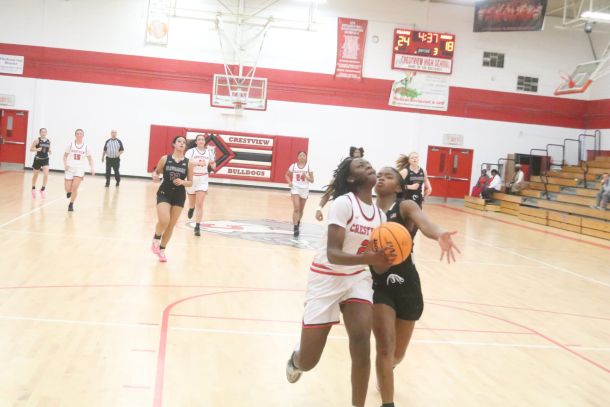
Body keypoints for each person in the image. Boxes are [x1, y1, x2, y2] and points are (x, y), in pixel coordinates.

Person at [285, 157, 394, 407]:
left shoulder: (381, 216)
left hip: (357, 278)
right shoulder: (344, 204)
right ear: (351, 178)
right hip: (326, 276)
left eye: (368, 163)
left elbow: (377, 265)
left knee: (362, 340)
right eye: (361, 166)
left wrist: (387, 259)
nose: (368, 166)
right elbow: (333, 253)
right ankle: (295, 360)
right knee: (309, 361)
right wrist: (371, 258)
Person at [373, 167, 460, 407]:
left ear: (398, 187)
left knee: (396, 355)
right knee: (384, 347)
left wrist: (440, 233)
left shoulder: (405, 206)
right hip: (378, 283)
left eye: (388, 176)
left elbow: (426, 224)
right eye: (379, 175)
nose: (381, 178)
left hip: (406, 282)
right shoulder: (367, 211)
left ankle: (388, 369)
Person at [151, 136, 194, 262]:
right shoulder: (165, 159)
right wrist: (154, 176)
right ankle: (156, 239)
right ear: (174, 144)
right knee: (164, 220)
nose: (182, 143)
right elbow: (156, 172)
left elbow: (190, 182)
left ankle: (162, 250)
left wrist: (182, 182)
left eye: (184, 142)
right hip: (164, 192)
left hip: (179, 195)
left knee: (171, 225)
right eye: (179, 141)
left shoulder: (189, 163)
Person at [315, 146, 364, 222]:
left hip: (354, 215)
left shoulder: (361, 182)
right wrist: (319, 209)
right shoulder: (336, 181)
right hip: (337, 213)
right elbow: (327, 195)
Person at [185, 134, 216, 236]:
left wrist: (213, 164)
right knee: (192, 202)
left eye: (203, 139)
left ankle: (197, 227)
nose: (201, 141)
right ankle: (191, 208)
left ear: (204, 142)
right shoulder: (191, 151)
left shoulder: (209, 152)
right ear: (196, 142)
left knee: (200, 204)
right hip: (191, 178)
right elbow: (185, 163)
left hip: (203, 179)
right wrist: (196, 163)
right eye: (199, 139)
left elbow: (214, 165)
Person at [63, 129, 94, 212]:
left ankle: (71, 204)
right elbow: (65, 156)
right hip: (69, 168)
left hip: (79, 169)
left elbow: (90, 159)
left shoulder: (86, 147)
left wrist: (92, 168)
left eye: (81, 134)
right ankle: (68, 192)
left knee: (75, 187)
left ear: (83, 135)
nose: (79, 135)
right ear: (75, 135)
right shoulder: (70, 144)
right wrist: (65, 164)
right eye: (78, 133)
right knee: (67, 189)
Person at [285, 151, 314, 238]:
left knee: (301, 210)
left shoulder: (309, 167)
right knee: (296, 208)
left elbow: (312, 180)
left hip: (304, 190)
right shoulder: (293, 166)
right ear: (297, 157)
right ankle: (295, 227)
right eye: (300, 155)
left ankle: (297, 223)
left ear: (306, 157)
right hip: (295, 189)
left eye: (303, 155)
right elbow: (286, 175)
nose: (302, 157)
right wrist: (289, 182)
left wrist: (306, 177)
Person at [30, 128, 51, 199]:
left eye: (44, 132)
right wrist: (36, 149)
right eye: (42, 132)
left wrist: (50, 151)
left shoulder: (48, 141)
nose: (43, 133)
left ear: (46, 133)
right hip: (38, 159)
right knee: (35, 175)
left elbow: (48, 149)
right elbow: (31, 149)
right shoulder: (37, 140)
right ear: (40, 133)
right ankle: (33, 188)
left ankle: (42, 189)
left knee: (46, 174)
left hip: (45, 159)